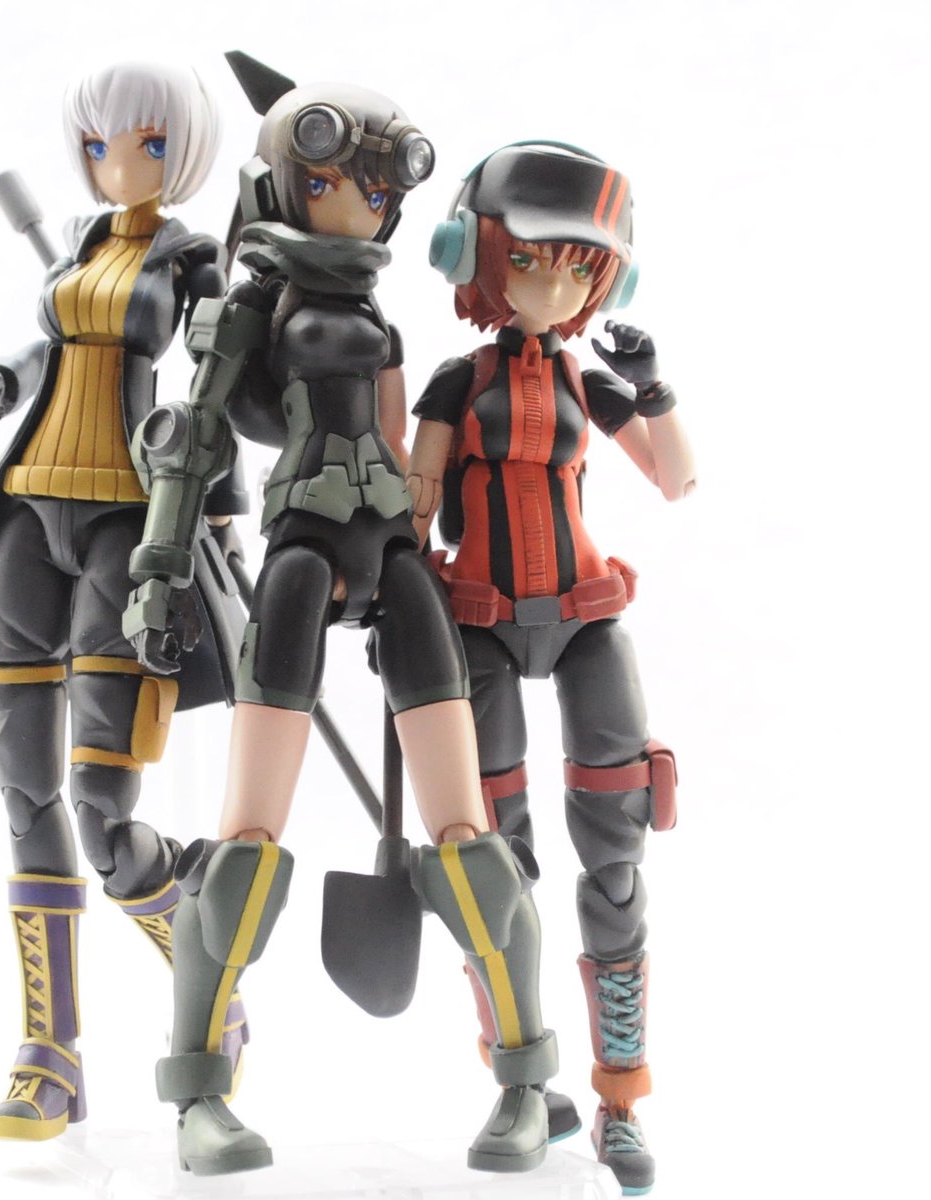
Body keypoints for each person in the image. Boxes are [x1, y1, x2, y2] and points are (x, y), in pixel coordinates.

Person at [124, 53, 561, 1177]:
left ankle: (525, 1081)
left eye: (377, 187)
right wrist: (159, 566)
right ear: (283, 180)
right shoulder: (246, 307)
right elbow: (192, 442)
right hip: (302, 549)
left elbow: (413, 445)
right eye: (330, 181)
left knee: (470, 842)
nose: (356, 205)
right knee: (244, 841)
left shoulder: (374, 305)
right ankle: (199, 1096)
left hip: (396, 551)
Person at [0, 61, 249, 1141]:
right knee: (25, 792)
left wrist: (226, 514)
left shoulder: (194, 261)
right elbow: (54, 346)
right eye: (101, 144)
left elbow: (217, 388)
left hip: (128, 523)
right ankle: (47, 1054)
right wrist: (7, 376)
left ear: (180, 151)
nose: (119, 163)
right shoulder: (74, 244)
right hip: (29, 511)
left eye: (146, 144)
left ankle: (207, 978)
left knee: (105, 814)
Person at [411, 141, 695, 1195]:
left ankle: (621, 1097)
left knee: (616, 850)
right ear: (475, 256)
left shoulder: (589, 382)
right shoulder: (457, 381)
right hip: (479, 621)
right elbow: (415, 497)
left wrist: (653, 388)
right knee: (496, 860)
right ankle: (519, 1074)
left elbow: (678, 479)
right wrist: (388, 588)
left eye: (580, 267)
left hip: (584, 618)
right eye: (529, 260)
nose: (553, 285)